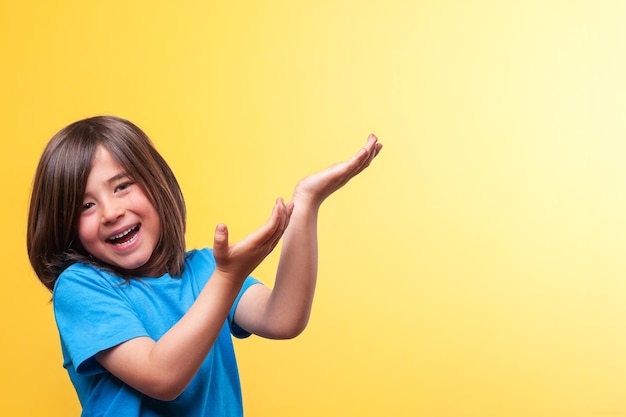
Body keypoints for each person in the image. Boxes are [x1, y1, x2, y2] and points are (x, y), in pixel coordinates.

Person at [27, 115, 382, 417]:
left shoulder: (205, 270)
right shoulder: (81, 288)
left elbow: (283, 317)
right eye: (86, 206)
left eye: (122, 186)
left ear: (157, 184)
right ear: (66, 225)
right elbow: (161, 376)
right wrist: (229, 277)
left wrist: (306, 203)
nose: (111, 212)